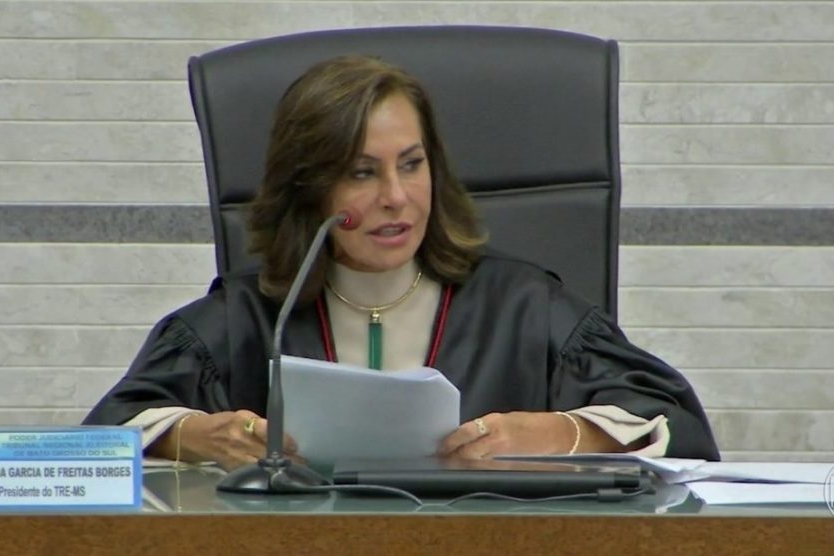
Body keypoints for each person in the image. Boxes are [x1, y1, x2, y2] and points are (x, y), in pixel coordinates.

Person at [83, 55, 720, 470]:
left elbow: (680, 429)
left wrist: (557, 436)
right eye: (362, 173)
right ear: (310, 191)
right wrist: (192, 437)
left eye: (411, 165)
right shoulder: (244, 321)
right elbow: (103, 438)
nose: (396, 197)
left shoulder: (526, 309)